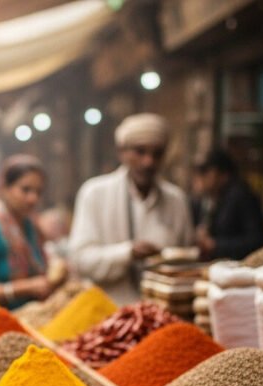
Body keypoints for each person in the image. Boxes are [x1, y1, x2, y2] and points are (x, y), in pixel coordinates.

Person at [69, 113, 194, 305]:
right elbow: (81, 261)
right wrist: (128, 253)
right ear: (122, 152)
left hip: (163, 313)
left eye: (157, 154)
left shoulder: (176, 200)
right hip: (107, 312)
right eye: (140, 151)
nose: (148, 162)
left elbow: (187, 263)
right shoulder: (94, 193)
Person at [0, 154, 61, 308]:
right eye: (25, 190)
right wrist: (24, 288)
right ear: (4, 188)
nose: (32, 198)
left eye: (38, 192)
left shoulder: (31, 227)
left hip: (32, 319)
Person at [193, 149, 263, 260]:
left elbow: (257, 241)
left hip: (241, 266)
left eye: (205, 172)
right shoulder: (213, 197)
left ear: (222, 173)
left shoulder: (240, 195)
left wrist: (216, 245)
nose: (201, 178)